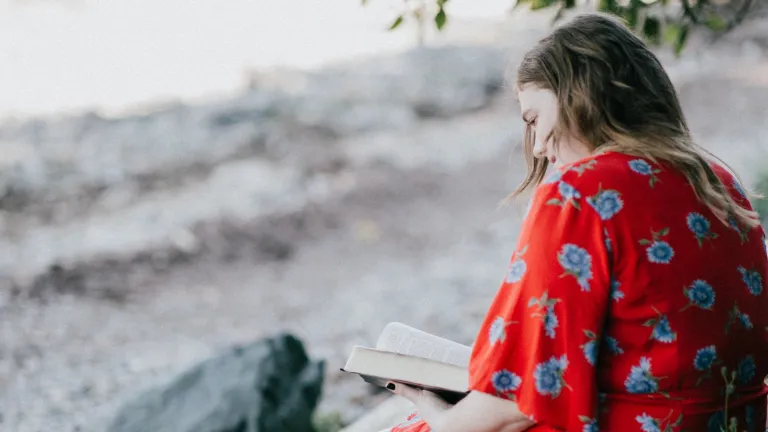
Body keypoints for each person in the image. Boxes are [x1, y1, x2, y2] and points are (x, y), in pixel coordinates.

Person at [384, 12, 768, 432]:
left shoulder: (581, 192)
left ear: (576, 93)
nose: (539, 144)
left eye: (533, 118)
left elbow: (517, 403)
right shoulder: (718, 179)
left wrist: (436, 415)